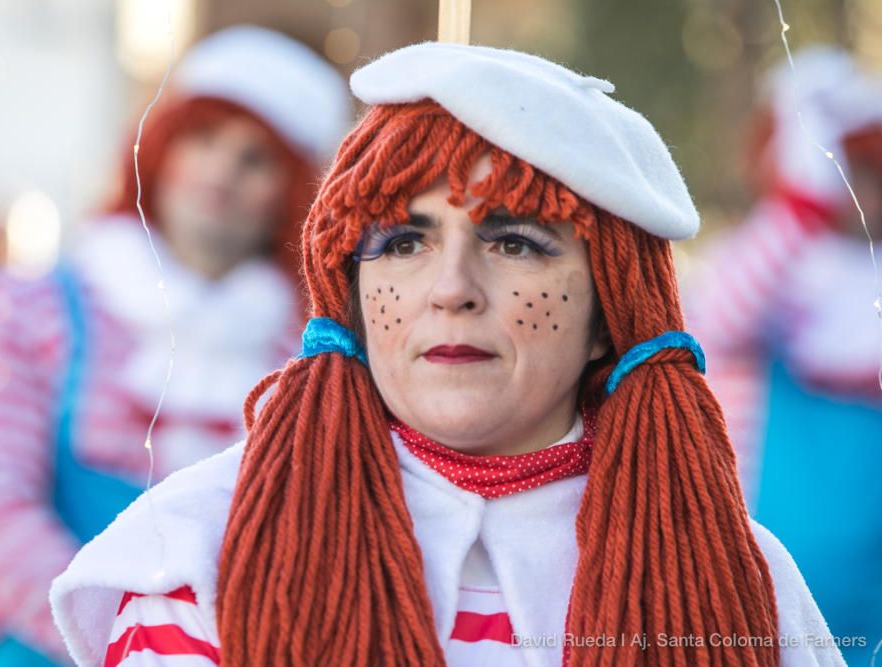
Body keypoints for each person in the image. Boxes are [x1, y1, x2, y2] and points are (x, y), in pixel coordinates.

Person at [51, 43, 843, 666]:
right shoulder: (204, 553)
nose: (451, 288)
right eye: (402, 242)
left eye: (514, 242)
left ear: (610, 310)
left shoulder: (731, 576)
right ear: (354, 292)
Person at [0, 26, 349, 666]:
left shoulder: (316, 348)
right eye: (203, 138)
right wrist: (144, 643)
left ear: (293, 192)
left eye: (256, 158)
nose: (220, 173)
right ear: (160, 146)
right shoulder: (29, 308)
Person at [685, 46, 882, 664]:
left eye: (872, 170)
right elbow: (714, 317)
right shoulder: (762, 269)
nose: (861, 191)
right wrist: (799, 207)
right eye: (847, 168)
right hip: (758, 601)